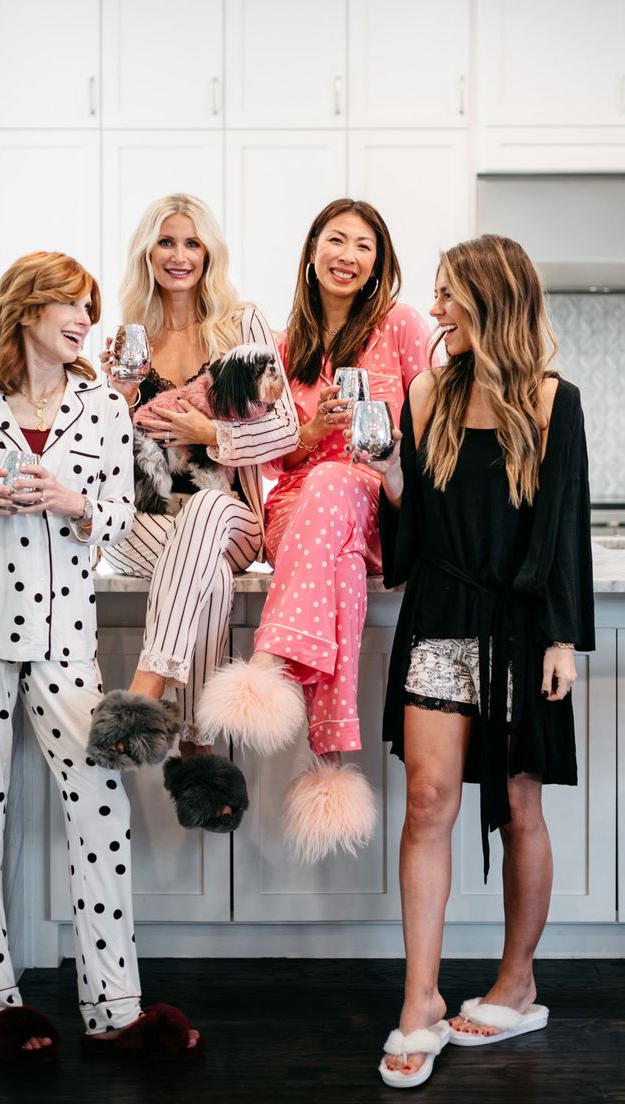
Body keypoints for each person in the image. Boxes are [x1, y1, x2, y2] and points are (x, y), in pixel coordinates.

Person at [0, 251, 202, 1064]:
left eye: (89, 307)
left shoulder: (103, 411)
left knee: (99, 806)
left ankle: (114, 1007)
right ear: (28, 310)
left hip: (63, 638)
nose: (85, 320)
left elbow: (117, 517)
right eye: (69, 306)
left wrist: (73, 503)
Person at [374, 235, 594, 1089]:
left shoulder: (551, 401)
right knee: (427, 799)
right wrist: (393, 478)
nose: (435, 312)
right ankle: (418, 1000)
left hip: (519, 627)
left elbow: (562, 525)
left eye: (449, 297)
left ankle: (518, 982)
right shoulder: (426, 393)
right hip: (440, 621)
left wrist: (560, 638)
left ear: (492, 300)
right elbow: (414, 540)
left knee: (515, 805)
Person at [196, 198, 431, 862]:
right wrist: (314, 433)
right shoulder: (278, 346)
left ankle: (270, 664)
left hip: (381, 500)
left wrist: (372, 451)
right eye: (337, 240)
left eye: (364, 246)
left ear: (379, 263)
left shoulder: (402, 327)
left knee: (337, 487)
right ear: (312, 250)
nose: (348, 255)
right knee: (339, 558)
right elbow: (269, 459)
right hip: (299, 515)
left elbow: (430, 431)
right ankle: (329, 758)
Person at [90, 194, 299, 833]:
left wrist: (210, 433)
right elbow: (94, 453)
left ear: (210, 253)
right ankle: (198, 748)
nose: (179, 256)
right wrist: (112, 403)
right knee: (197, 564)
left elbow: (286, 431)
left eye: (192, 243)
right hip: (141, 524)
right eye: (166, 243)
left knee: (207, 510)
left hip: (228, 517)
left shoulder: (242, 329)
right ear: (146, 254)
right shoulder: (122, 341)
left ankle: (145, 695)